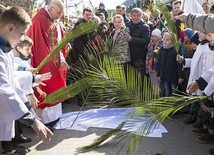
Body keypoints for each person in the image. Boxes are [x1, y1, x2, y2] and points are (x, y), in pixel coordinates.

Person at [0, 6, 53, 154]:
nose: (21, 40)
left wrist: (33, 78)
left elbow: (12, 80)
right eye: (22, 33)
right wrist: (32, 121)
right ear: (11, 28)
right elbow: (4, 91)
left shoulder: (6, 50)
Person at [27, 0, 69, 127]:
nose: (59, 15)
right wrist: (48, 63)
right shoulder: (39, 20)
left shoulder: (54, 21)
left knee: (54, 86)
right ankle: (45, 120)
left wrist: (61, 59)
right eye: (58, 12)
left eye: (61, 13)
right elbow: (39, 46)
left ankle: (54, 117)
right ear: (50, 8)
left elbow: (59, 42)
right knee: (47, 85)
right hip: (43, 61)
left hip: (54, 60)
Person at [126, 8, 150, 77]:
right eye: (134, 15)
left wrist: (131, 39)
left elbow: (146, 41)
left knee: (139, 78)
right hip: (128, 56)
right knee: (129, 77)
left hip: (139, 57)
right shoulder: (127, 25)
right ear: (131, 16)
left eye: (138, 15)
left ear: (141, 16)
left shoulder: (145, 27)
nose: (136, 17)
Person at [157, 32, 182, 97]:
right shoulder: (162, 49)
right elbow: (159, 63)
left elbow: (179, 64)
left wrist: (180, 76)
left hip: (173, 75)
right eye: (164, 39)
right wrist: (159, 74)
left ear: (172, 40)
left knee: (174, 92)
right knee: (167, 91)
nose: (165, 41)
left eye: (167, 40)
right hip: (164, 75)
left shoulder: (175, 50)